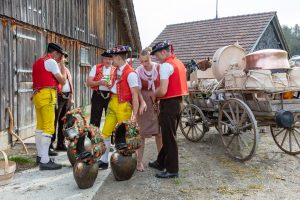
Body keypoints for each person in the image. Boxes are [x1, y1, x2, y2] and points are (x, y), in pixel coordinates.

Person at [148, 40, 188, 178]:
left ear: (164, 52)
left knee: (169, 137)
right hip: (178, 102)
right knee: (169, 134)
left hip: (169, 104)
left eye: (157, 55)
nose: (156, 58)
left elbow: (163, 90)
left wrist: (154, 94)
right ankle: (161, 162)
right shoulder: (179, 63)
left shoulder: (166, 66)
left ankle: (172, 169)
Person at [98, 45, 140, 169]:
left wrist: (135, 117)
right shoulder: (116, 70)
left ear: (118, 57)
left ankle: (125, 164)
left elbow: (135, 96)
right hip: (113, 103)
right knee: (105, 132)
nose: (111, 60)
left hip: (124, 106)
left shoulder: (131, 73)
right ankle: (104, 161)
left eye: (113, 58)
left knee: (123, 136)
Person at [32, 43, 67, 170]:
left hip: (38, 95)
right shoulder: (51, 62)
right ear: (55, 53)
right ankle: (45, 161)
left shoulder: (38, 62)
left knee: (40, 127)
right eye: (60, 56)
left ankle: (41, 156)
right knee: (48, 127)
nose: (60, 58)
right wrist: (62, 65)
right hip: (47, 95)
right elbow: (63, 80)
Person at [135, 47, 162, 172]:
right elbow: (137, 89)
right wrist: (141, 102)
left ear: (150, 57)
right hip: (144, 100)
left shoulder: (159, 68)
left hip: (157, 99)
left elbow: (163, 85)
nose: (144, 64)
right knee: (142, 132)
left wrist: (158, 98)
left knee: (160, 133)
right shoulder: (138, 70)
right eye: (142, 61)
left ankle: (161, 159)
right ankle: (139, 162)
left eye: (146, 61)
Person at [51, 52, 74, 152]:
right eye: (62, 57)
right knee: (54, 120)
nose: (63, 59)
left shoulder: (67, 70)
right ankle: (51, 143)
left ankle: (61, 143)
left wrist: (72, 97)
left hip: (67, 97)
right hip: (58, 96)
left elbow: (70, 84)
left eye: (64, 58)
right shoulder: (55, 69)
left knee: (64, 121)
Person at [86, 52, 116, 128]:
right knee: (94, 120)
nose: (108, 61)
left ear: (113, 60)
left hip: (110, 96)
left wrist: (111, 86)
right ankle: (93, 139)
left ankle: (109, 139)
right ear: (103, 59)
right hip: (97, 95)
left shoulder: (116, 70)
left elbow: (118, 86)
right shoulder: (95, 67)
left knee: (110, 119)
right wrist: (99, 82)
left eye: (110, 59)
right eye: (106, 59)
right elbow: (89, 83)